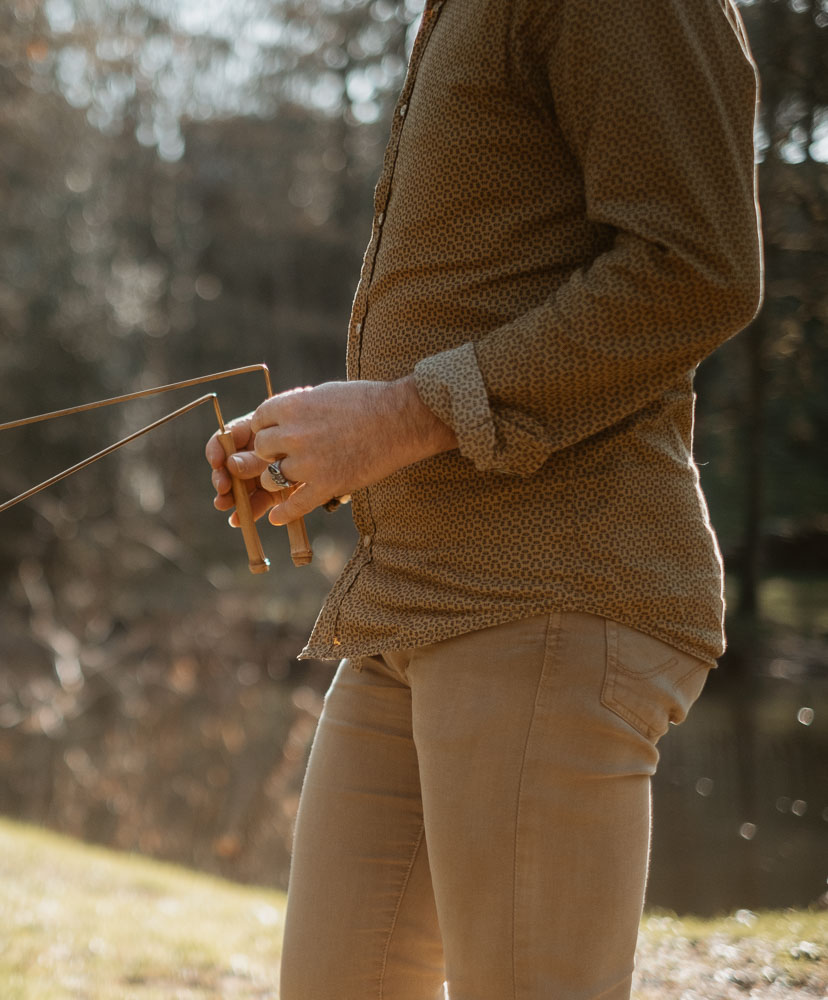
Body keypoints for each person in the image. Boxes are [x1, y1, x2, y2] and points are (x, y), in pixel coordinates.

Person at [204, 0, 762, 997]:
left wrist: (400, 416)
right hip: (406, 605)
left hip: (553, 588)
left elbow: (697, 269)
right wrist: (332, 450)